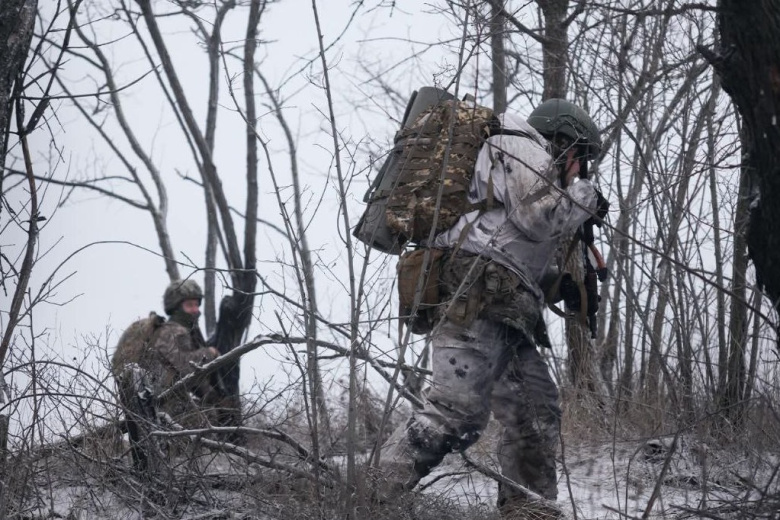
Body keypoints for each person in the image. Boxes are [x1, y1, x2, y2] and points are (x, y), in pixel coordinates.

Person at [378, 99, 605, 517]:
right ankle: (368, 495)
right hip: (474, 292)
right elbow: (538, 219)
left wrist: (563, 285)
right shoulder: (522, 144)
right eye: (581, 160)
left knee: (535, 410)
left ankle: (528, 508)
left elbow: (510, 248)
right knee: (455, 411)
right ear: (565, 143)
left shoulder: (526, 160)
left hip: (503, 303)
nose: (580, 170)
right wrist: (585, 196)